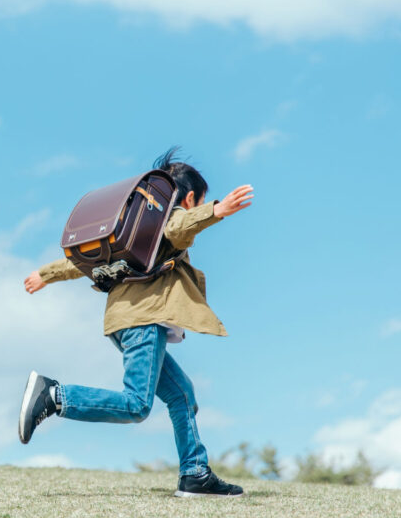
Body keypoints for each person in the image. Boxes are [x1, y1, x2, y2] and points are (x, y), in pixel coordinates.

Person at [19, 147, 254, 498]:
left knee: (182, 394)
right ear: (190, 198)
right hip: (143, 320)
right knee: (136, 405)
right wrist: (216, 211)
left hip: (124, 320)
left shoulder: (136, 228)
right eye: (200, 201)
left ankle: (195, 473)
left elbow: (83, 260)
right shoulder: (168, 220)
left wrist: (45, 274)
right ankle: (54, 396)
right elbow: (179, 225)